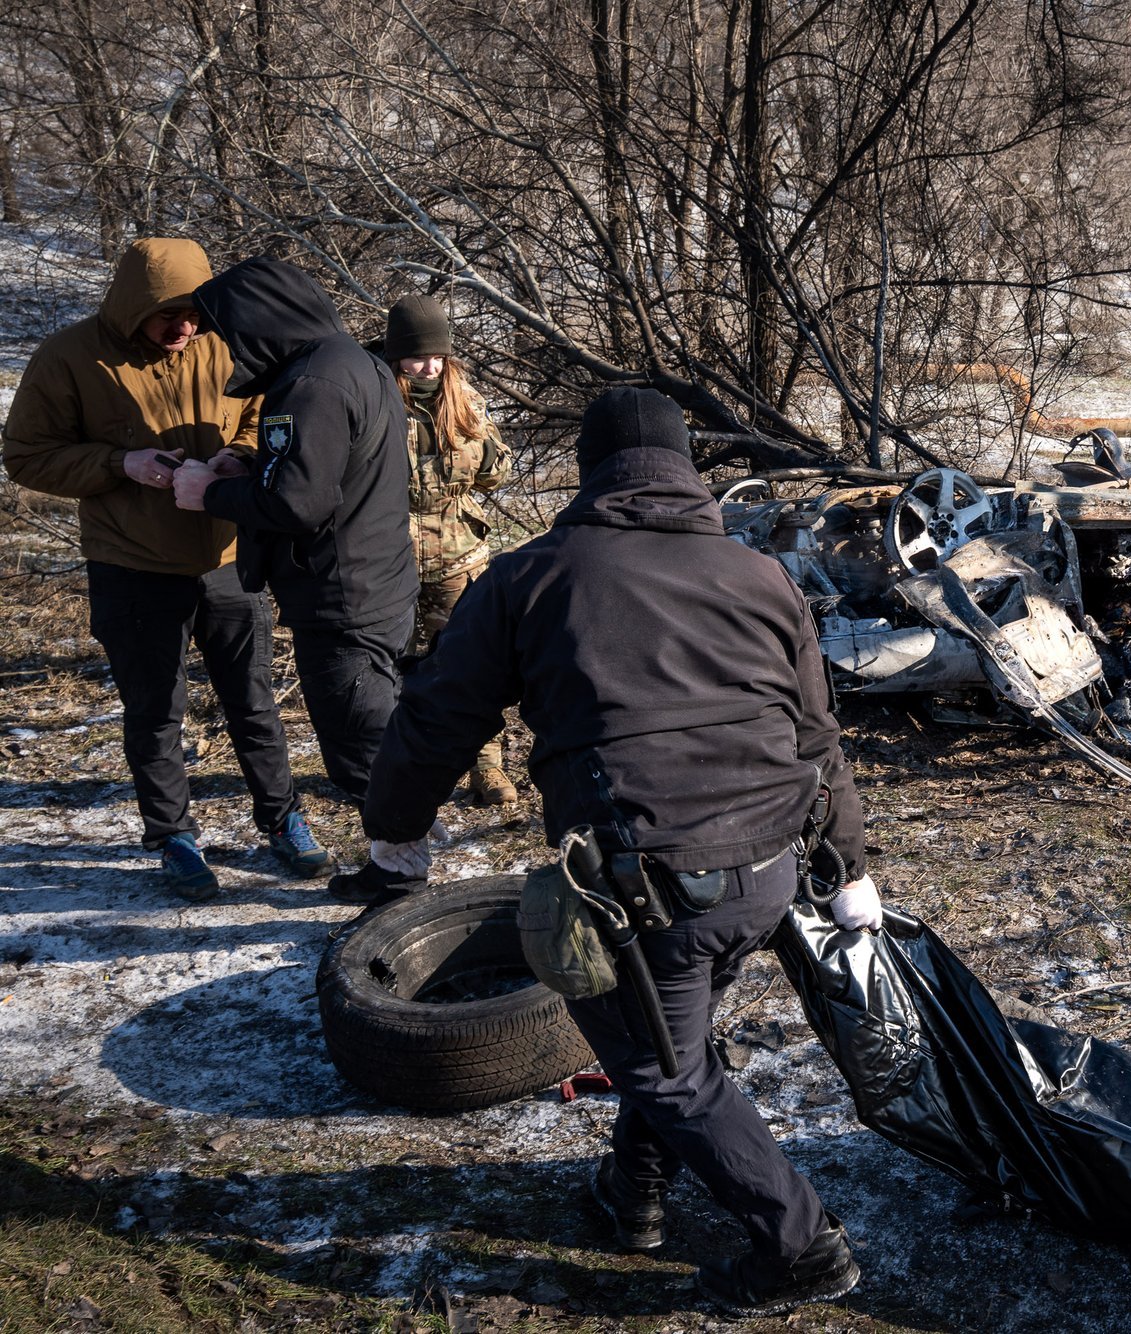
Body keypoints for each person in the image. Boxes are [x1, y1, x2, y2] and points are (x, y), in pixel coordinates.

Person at [347, 387, 882, 1317]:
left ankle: (800, 1247)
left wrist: (393, 821)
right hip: (765, 878)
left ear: (594, 472)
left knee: (667, 1070)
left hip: (651, 888)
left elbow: (438, 718)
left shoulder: (530, 576)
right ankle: (634, 1194)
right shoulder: (760, 576)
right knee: (670, 1040)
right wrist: (849, 864)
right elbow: (816, 738)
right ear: (685, 471)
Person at [3, 238, 328, 899]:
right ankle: (174, 836)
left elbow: (264, 420)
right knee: (155, 709)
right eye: (167, 315)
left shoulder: (223, 342)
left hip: (228, 558)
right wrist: (119, 464)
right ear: (131, 307)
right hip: (132, 564)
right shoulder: (70, 357)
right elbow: (27, 455)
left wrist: (235, 459)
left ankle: (283, 817)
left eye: (193, 314)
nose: (183, 328)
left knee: (254, 702)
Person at [172, 257, 417, 809]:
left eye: (233, 335)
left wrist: (206, 493)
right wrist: (254, 469)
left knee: (361, 750)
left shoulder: (311, 384)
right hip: (380, 586)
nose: (232, 352)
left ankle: (402, 877)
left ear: (259, 322)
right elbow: (336, 472)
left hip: (343, 601)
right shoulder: (356, 361)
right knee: (380, 730)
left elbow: (300, 503)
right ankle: (403, 854)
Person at [377, 295, 516, 806]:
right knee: (388, 670)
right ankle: (396, 765)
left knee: (468, 664)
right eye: (416, 357)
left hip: (457, 556)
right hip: (385, 558)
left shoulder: (464, 398)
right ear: (396, 356)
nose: (429, 367)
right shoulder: (375, 398)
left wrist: (479, 441)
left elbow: (494, 475)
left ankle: (487, 768)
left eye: (437, 356)